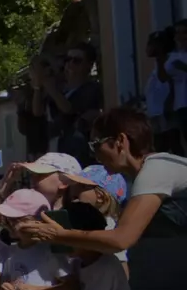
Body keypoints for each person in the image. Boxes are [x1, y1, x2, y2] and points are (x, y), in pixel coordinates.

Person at [15, 106, 187, 255]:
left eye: (96, 144)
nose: (93, 154)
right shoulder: (152, 170)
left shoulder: (154, 172)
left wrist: (59, 234)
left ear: (120, 141)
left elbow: (121, 239)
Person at [31, 45, 103, 161]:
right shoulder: (60, 89)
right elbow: (37, 111)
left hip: (78, 149)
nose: (70, 64)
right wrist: (38, 86)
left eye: (77, 61)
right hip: (57, 146)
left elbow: (68, 109)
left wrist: (49, 86)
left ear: (89, 65)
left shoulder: (92, 88)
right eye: (68, 59)